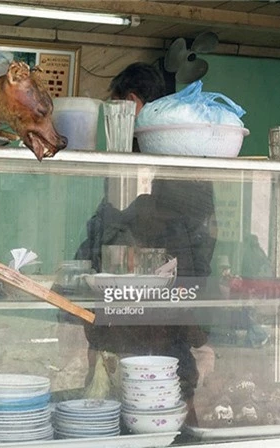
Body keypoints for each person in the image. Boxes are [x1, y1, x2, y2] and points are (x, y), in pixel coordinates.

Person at [75, 62, 216, 426]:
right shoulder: (187, 164)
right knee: (165, 408)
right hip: (165, 317)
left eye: (116, 108)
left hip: (155, 321)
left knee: (158, 410)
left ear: (133, 105)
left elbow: (146, 231)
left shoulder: (154, 170)